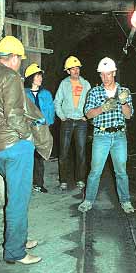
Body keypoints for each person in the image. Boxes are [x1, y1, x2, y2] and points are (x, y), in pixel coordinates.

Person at [0, 36, 52, 266]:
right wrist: (28, 137)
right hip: (15, 147)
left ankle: (19, 238)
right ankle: (15, 252)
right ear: (14, 57)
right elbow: (15, 116)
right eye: (20, 59)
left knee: (15, 196)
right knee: (18, 200)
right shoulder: (10, 77)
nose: (20, 63)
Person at [78, 57, 135, 214]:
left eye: (108, 74)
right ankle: (88, 200)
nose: (105, 78)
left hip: (119, 136)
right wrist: (102, 108)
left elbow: (129, 116)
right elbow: (88, 114)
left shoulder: (124, 92)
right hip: (101, 135)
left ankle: (125, 201)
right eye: (102, 74)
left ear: (114, 73)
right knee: (95, 171)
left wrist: (123, 103)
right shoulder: (94, 92)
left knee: (121, 171)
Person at [54, 56, 91, 191]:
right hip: (67, 121)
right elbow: (57, 101)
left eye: (77, 68)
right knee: (63, 152)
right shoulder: (64, 84)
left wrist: (86, 116)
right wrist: (62, 116)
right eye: (73, 69)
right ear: (68, 71)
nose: (76, 71)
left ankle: (80, 179)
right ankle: (63, 180)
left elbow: (91, 101)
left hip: (81, 122)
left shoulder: (86, 84)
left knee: (81, 152)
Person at [24, 63, 55, 193]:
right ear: (31, 77)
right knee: (27, 156)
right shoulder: (23, 93)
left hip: (42, 129)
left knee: (39, 156)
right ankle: (26, 184)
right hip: (28, 129)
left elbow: (51, 110)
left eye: (40, 76)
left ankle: (39, 183)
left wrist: (46, 122)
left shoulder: (46, 93)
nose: (40, 78)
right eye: (37, 76)